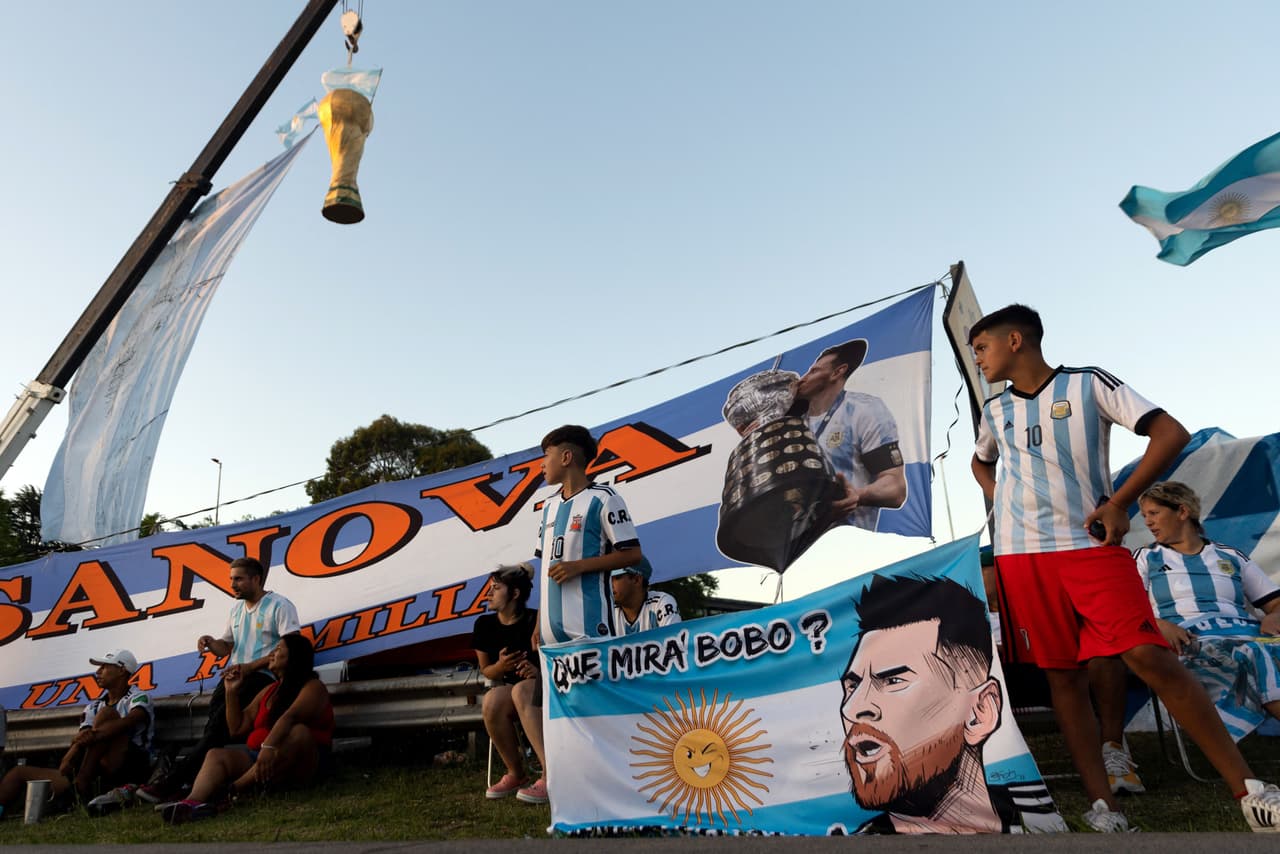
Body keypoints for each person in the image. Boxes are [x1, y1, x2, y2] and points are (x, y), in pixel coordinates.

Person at [969, 303, 1280, 833]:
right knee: (1063, 678)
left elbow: (1171, 432)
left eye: (982, 348)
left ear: (1015, 340)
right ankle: (1104, 809)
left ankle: (1251, 792)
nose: (978, 360)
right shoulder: (995, 410)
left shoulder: (1089, 385)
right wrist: (1003, 497)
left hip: (1088, 549)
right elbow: (981, 459)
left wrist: (1121, 503)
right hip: (1022, 557)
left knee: (1147, 655)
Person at [843, 574, 1034, 834]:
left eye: (894, 680)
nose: (852, 708)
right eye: (852, 686)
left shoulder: (1036, 818)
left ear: (980, 712)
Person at [518, 424, 644, 806]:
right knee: (554, 713)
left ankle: (616, 785)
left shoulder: (605, 499)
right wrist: (539, 621)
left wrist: (580, 567)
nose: (542, 466)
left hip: (588, 629)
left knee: (594, 713)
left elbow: (632, 554)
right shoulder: (548, 507)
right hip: (552, 636)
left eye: (546, 457)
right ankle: (556, 779)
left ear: (567, 457)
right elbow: (545, 570)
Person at [139, 556, 300, 804]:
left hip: (261, 680)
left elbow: (292, 648)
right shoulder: (236, 609)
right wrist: (212, 643)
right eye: (231, 579)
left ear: (256, 579)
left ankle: (172, 782)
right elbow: (227, 646)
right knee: (213, 730)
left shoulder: (280, 605)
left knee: (217, 732)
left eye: (238, 579)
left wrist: (250, 667)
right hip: (234, 679)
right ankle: (195, 783)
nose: (233, 584)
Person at [1135, 481, 1280, 740]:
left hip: (1247, 634)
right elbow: (1128, 606)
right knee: (1255, 652)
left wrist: (1274, 616)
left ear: (1182, 511)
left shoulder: (1230, 556)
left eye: (1154, 513)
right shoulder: (1147, 557)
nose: (1147, 522)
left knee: (1261, 649)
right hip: (1190, 640)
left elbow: (1275, 602)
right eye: (1145, 515)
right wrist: (1158, 624)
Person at [160, 633, 334, 824]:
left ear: (294, 657)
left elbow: (290, 717)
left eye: (278, 649)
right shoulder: (269, 691)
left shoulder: (313, 687)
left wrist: (268, 747)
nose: (272, 654)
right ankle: (192, 802)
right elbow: (237, 728)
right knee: (215, 755)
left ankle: (231, 791)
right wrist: (231, 692)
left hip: (301, 764)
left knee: (299, 731)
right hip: (262, 762)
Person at [0, 649, 153, 818]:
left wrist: (84, 741)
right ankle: (78, 789)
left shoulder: (139, 697)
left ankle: (79, 787)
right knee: (18, 773)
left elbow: (129, 722)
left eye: (104, 666)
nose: (97, 672)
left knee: (107, 715)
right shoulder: (93, 706)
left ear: (122, 670)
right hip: (94, 770)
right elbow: (81, 740)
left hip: (128, 766)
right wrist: (75, 749)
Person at [795, 339, 906, 531]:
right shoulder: (793, 425)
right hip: (798, 550)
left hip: (848, 544)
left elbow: (895, 488)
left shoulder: (863, 410)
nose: (802, 378)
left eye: (814, 371)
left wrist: (859, 495)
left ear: (837, 372)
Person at [473, 562, 540, 799]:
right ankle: (516, 773)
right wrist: (500, 667)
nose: (488, 594)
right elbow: (486, 671)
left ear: (515, 593)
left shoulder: (536, 620)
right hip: (513, 689)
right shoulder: (484, 625)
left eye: (495, 588)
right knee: (492, 699)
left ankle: (551, 774)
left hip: (545, 687)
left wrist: (537, 671)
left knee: (521, 690)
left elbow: (556, 658)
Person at [611, 557, 681, 636]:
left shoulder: (662, 602)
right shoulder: (608, 609)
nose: (609, 584)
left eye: (616, 578)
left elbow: (674, 642)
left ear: (636, 580)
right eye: (607, 579)